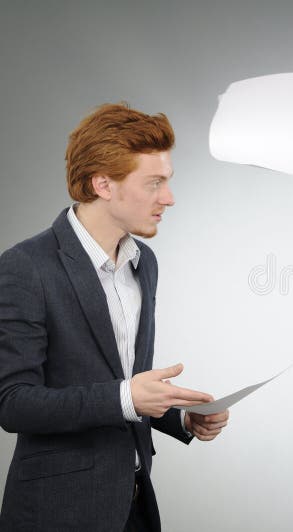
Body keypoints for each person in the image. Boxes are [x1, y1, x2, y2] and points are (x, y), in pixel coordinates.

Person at [0, 103, 230, 532]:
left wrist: (179, 416)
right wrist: (127, 398)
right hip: (57, 513)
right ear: (103, 184)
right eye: (155, 183)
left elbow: (125, 379)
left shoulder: (146, 263)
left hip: (135, 504)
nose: (169, 197)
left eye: (168, 181)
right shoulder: (25, 267)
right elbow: (12, 403)